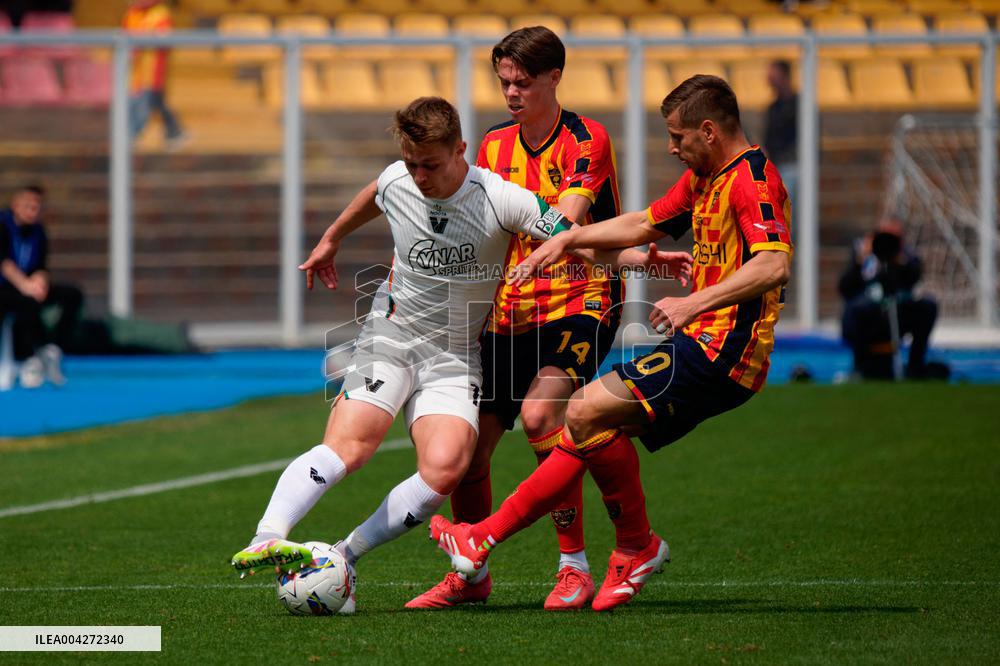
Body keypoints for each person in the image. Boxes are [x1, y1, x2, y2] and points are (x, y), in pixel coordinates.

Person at [228, 97, 689, 613]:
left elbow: (575, 242)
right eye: (411, 164)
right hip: (392, 333)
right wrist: (331, 239)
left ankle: (344, 555)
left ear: (460, 150)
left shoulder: (499, 198)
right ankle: (268, 534)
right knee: (352, 447)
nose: (419, 176)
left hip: (455, 353)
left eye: (430, 164)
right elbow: (374, 195)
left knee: (446, 468)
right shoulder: (397, 179)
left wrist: (641, 258)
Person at [431, 75, 793, 612]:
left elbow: (775, 262)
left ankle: (500, 539)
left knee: (581, 410)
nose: (672, 148)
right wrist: (572, 238)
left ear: (710, 131)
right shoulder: (706, 179)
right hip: (701, 341)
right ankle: (631, 549)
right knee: (585, 418)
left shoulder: (753, 180)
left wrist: (694, 303)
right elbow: (644, 223)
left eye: (678, 137)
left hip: (726, 350)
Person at [408, 26, 662, 611]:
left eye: (523, 81)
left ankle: (573, 566)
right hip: (510, 307)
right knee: (469, 453)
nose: (512, 92)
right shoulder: (493, 144)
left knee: (544, 412)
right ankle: (470, 575)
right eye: (504, 82)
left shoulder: (585, 139)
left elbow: (564, 224)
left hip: (581, 297)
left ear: (554, 78)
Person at [0, 185, 82, 388]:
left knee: (71, 295)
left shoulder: (38, 231)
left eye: (37, 207)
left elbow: (41, 265)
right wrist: (26, 285)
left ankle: (52, 348)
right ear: (16, 205)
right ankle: (30, 356)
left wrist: (40, 281)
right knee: (25, 303)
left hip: (28, 286)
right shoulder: (2, 225)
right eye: (28, 206)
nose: (33, 212)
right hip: (6, 287)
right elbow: (4, 264)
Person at [838, 218, 938, 379]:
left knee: (928, 306)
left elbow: (913, 279)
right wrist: (861, 259)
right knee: (856, 310)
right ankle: (861, 365)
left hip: (899, 311)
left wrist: (899, 260)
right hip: (869, 314)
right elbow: (845, 289)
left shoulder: (907, 256)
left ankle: (915, 366)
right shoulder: (862, 254)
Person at [122, 0, 186, 148]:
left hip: (152, 69)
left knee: (148, 103)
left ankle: (133, 134)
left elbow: (162, 42)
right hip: (134, 69)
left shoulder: (160, 14)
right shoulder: (132, 14)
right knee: (150, 102)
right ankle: (173, 131)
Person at [763, 60, 796, 216]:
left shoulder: (799, 105)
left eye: (773, 75)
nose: (769, 79)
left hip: (795, 167)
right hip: (777, 168)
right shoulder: (773, 108)